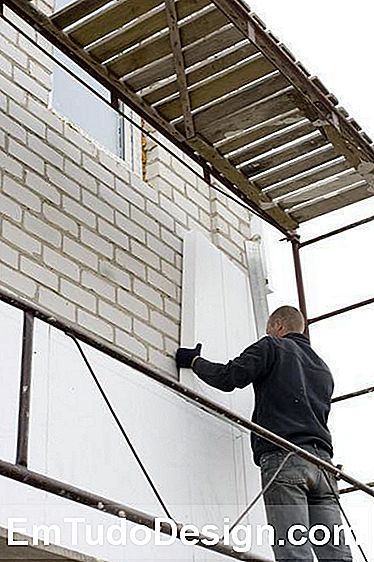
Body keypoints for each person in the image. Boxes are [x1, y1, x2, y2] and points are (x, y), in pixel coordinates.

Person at [175, 305, 352, 561]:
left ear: (278, 326)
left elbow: (229, 377)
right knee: (337, 556)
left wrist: (194, 361)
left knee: (294, 553)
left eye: (269, 328)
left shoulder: (272, 346)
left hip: (285, 459)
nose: (267, 332)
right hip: (324, 465)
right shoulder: (323, 369)